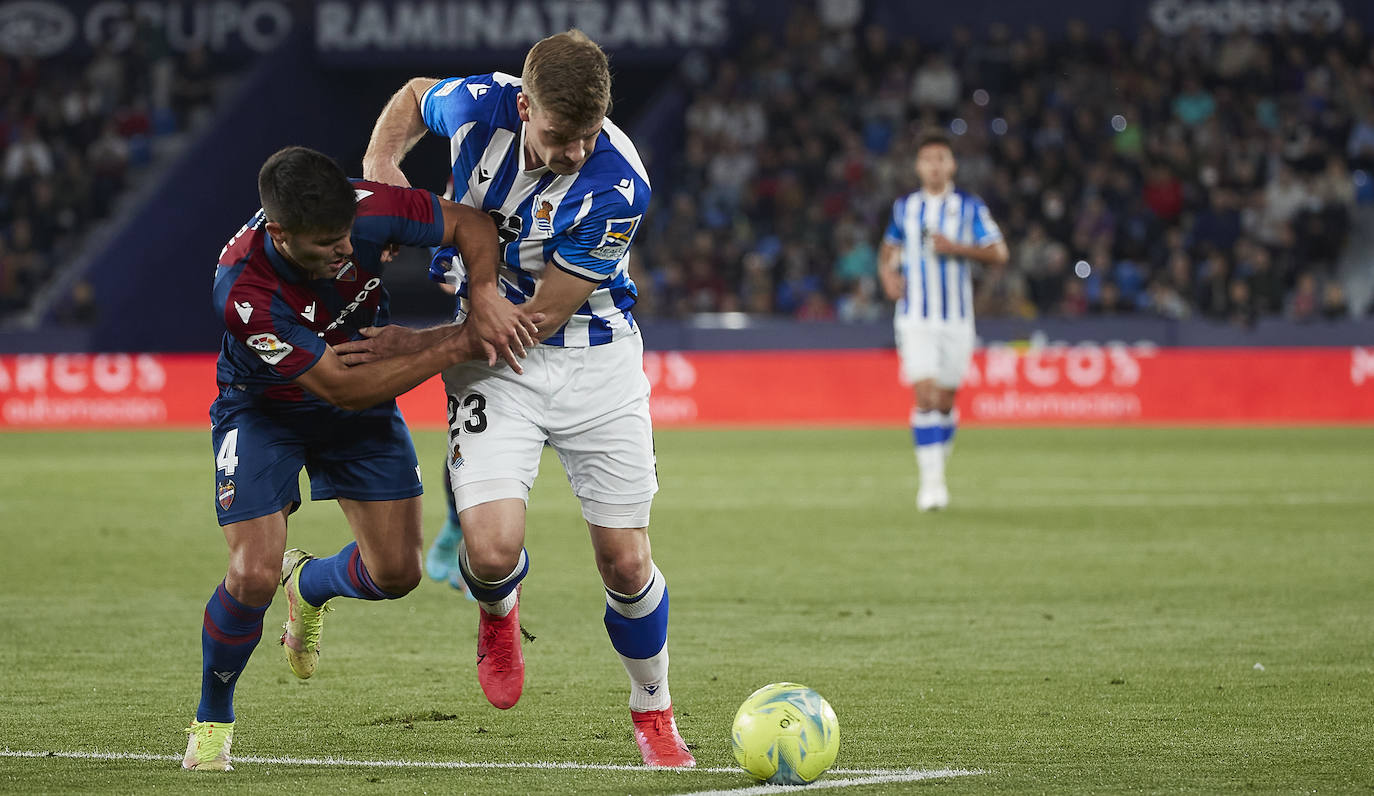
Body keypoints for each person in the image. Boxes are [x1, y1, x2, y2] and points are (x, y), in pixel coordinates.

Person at [355, 29, 694, 767]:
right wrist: (383, 168)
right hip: (497, 367)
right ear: (524, 104)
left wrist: (413, 345)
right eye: (558, 133)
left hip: (589, 361)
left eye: (587, 135)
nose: (573, 149)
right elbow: (414, 95)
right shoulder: (479, 104)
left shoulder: (617, 184)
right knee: (490, 548)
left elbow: (534, 320)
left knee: (626, 564)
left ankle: (653, 709)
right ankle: (497, 612)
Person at [183, 146, 540, 772]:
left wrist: (481, 295)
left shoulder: (366, 208)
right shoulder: (242, 291)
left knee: (398, 573)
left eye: (348, 233)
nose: (347, 249)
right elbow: (343, 389)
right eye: (327, 244)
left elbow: (473, 225)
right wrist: (459, 339)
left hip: (360, 396)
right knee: (252, 574)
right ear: (281, 235)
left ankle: (312, 583)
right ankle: (214, 718)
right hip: (266, 408)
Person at [878, 133, 1008, 511]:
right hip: (915, 316)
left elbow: (999, 252)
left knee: (946, 400)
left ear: (952, 165)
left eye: (941, 158)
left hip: (957, 318)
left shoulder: (968, 207)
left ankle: (936, 466)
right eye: (927, 159)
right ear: (918, 167)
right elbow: (887, 251)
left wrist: (958, 249)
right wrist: (887, 276)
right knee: (925, 394)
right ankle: (931, 485)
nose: (934, 165)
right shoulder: (906, 208)